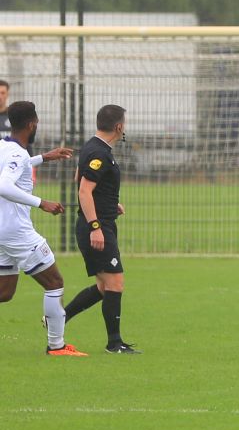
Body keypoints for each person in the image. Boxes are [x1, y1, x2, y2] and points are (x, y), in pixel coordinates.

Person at [0, 101, 87, 356]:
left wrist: (44, 157)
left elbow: (15, 166)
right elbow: (3, 185)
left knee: (4, 292)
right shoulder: (17, 154)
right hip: (17, 232)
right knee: (55, 282)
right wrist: (42, 203)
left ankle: (57, 346)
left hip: (2, 231)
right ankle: (57, 346)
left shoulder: (5, 146)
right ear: (32, 124)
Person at [62, 104, 140, 354]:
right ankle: (114, 343)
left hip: (99, 223)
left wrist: (109, 203)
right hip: (96, 228)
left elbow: (80, 178)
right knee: (115, 284)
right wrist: (95, 226)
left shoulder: (92, 147)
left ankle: (58, 319)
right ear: (118, 126)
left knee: (103, 287)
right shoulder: (101, 153)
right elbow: (84, 189)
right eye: (124, 123)